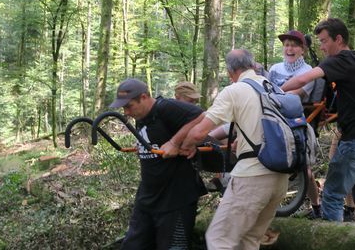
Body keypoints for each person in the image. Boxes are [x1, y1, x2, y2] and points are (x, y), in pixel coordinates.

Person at [178, 49, 289, 249]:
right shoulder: (273, 88)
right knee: (249, 241)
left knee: (219, 239)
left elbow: (200, 131)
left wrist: (182, 146)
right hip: (280, 178)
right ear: (253, 65)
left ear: (230, 72)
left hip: (252, 177)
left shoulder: (234, 91)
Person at [281, 18, 355, 224]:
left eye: (324, 41)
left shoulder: (339, 59)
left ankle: (332, 238)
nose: (321, 46)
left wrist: (272, 92)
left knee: (332, 195)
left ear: (338, 39)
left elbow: (303, 79)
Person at [109, 78, 207, 250]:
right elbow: (155, 137)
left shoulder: (165, 107)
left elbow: (201, 116)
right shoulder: (142, 115)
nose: (126, 112)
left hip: (175, 199)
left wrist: (176, 143)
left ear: (144, 97)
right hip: (148, 197)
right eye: (123, 108)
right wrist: (143, 145)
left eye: (129, 106)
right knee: (133, 245)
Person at [267, 29, 323, 219]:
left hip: (299, 122)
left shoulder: (308, 71)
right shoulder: (274, 69)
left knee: (304, 169)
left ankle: (316, 206)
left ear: (302, 49)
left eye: (294, 45)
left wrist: (271, 98)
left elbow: (297, 95)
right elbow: (265, 89)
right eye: (286, 45)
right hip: (273, 120)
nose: (289, 49)